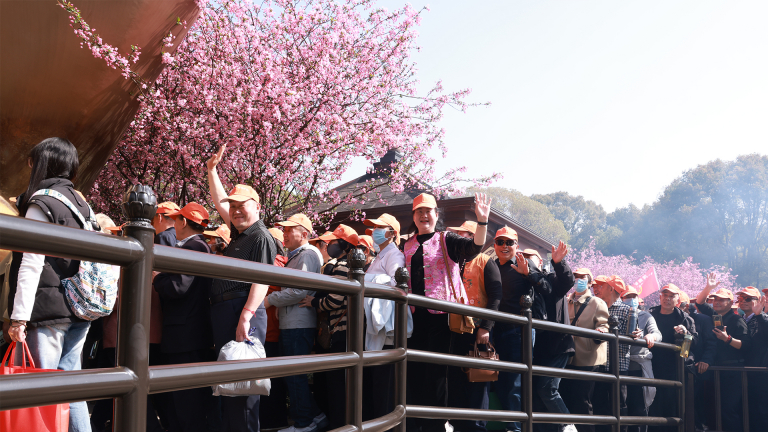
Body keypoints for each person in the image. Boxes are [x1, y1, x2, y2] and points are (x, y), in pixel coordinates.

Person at [7, 137, 97, 432]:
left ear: (41, 163)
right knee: (70, 387)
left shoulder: (41, 203)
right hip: (80, 308)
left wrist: (19, 316)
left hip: (47, 311)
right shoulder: (82, 205)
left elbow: (31, 263)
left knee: (44, 388)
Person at [404, 192, 491, 432]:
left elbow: (473, 247)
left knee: (438, 373)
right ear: (413, 216)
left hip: (442, 317)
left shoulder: (446, 239)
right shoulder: (408, 244)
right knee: (415, 370)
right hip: (414, 316)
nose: (424, 215)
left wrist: (482, 221)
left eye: (428, 210)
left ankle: (436, 425)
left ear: (436, 214)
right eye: (419, 211)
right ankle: (418, 423)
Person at [207, 145, 277, 432]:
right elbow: (220, 204)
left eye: (241, 204)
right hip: (229, 309)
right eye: (233, 205)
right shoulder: (240, 232)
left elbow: (262, 277)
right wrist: (212, 170)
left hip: (243, 309)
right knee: (231, 388)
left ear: (257, 206)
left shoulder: (260, 236)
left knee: (245, 389)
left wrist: (247, 314)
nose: (235, 210)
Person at [153, 202, 215, 432]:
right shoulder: (204, 246)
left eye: (177, 219)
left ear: (184, 222)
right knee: (191, 397)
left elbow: (178, 286)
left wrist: (157, 278)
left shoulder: (192, 247)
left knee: (186, 399)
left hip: (184, 332)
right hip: (193, 331)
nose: (173, 223)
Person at [265, 214, 326, 432]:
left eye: (291, 230)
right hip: (294, 323)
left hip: (297, 325)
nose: (285, 233)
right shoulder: (298, 255)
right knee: (294, 376)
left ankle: (304, 423)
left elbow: (299, 290)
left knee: (294, 376)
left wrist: (269, 300)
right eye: (285, 229)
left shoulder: (307, 254)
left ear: (305, 234)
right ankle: (315, 416)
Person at [444, 220, 503, 432]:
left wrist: (486, 326)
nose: (459, 239)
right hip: (453, 328)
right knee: (456, 379)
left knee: (478, 380)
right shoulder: (452, 261)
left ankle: (477, 427)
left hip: (478, 330)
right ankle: (459, 425)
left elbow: (496, 296)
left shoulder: (485, 261)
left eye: (463, 235)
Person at [298, 223, 358, 430]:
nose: (329, 244)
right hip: (341, 333)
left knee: (337, 386)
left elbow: (335, 300)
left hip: (340, 333)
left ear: (344, 245)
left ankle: (339, 424)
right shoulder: (343, 264)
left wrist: (313, 303)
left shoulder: (343, 265)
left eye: (333, 241)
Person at [494, 226, 544, 432]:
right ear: (495, 245)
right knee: (500, 379)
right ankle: (504, 423)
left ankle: (514, 428)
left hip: (519, 330)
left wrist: (529, 274)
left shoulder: (525, 264)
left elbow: (547, 289)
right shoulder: (491, 265)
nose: (505, 246)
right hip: (496, 329)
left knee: (516, 381)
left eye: (509, 242)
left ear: (516, 245)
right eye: (500, 242)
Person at [524, 242, 577, 432]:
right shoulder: (522, 282)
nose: (527, 261)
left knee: (547, 388)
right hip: (536, 347)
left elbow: (567, 280)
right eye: (523, 257)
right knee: (535, 394)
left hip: (557, 345)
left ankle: (568, 425)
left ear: (539, 261)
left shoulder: (551, 279)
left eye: (531, 258)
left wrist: (559, 262)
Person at [361, 213, 407, 423]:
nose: (375, 231)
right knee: (376, 383)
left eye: (380, 227)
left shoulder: (394, 255)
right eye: (373, 227)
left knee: (384, 385)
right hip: (374, 324)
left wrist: (366, 279)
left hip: (386, 328)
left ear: (392, 233)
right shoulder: (379, 255)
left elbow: (396, 282)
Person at [693, 274, 749, 432]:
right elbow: (699, 302)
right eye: (715, 299)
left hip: (732, 372)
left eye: (721, 299)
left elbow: (746, 346)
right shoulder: (714, 316)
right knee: (713, 409)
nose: (716, 302)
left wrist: (728, 339)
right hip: (715, 370)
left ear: (730, 303)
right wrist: (708, 288)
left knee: (728, 410)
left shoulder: (737, 320)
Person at [560, 268, 609, 432]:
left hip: (587, 359)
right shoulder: (566, 301)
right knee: (566, 398)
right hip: (567, 357)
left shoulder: (597, 303)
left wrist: (601, 331)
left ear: (589, 283)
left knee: (582, 402)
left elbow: (604, 326)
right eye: (576, 277)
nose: (578, 280)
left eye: (582, 278)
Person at [649, 284, 697, 432]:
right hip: (651, 366)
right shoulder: (651, 314)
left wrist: (685, 334)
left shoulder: (684, 318)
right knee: (652, 405)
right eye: (665, 295)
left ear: (678, 299)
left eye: (671, 296)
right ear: (660, 297)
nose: (667, 299)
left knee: (672, 407)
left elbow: (692, 344)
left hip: (674, 370)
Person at [259, 227, 290, 430]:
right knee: (276, 383)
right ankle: (276, 420)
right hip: (274, 331)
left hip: (267, 332)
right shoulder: (285, 264)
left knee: (267, 383)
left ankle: (270, 422)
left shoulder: (273, 263)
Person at [591, 276, 631, 432]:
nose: (599, 288)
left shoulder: (627, 310)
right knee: (599, 403)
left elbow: (632, 336)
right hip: (599, 362)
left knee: (619, 404)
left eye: (603, 285)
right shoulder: (598, 306)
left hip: (618, 363)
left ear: (611, 289)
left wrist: (636, 334)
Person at [621, 286, 661, 432]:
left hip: (638, 368)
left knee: (639, 408)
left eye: (634, 296)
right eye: (627, 297)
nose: (631, 300)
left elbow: (657, 333)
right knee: (621, 408)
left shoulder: (646, 316)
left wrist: (650, 336)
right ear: (621, 300)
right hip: (619, 367)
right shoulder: (616, 313)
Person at [737, 287, 768, 432]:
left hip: (761, 372)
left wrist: (759, 315)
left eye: (748, 299)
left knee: (761, 411)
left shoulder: (763, 318)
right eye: (741, 298)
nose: (743, 301)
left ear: (758, 301)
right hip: (743, 371)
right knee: (747, 409)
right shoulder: (739, 320)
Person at [686, 299, 717, 432]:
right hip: (679, 368)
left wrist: (706, 360)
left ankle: (700, 426)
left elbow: (711, 342)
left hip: (698, 368)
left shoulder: (702, 319)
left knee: (696, 400)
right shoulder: (675, 318)